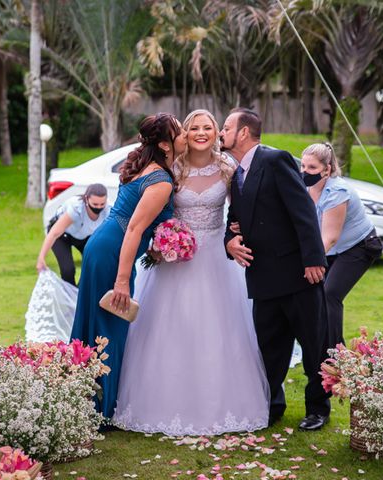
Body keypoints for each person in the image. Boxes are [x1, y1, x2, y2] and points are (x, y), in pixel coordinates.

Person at [113, 110, 270, 435]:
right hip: (175, 262)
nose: (201, 133)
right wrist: (160, 242)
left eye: (207, 127)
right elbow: (156, 211)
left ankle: (221, 404)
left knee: (218, 328)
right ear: (185, 132)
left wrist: (234, 238)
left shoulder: (228, 168)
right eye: (194, 127)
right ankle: (164, 403)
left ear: (216, 133)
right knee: (171, 328)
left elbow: (239, 214)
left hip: (215, 258)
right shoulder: (173, 169)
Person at [221, 108, 331, 431]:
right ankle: (271, 405)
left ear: (243, 133)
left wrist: (314, 259)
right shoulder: (235, 173)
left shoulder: (275, 160)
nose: (221, 133)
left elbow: (304, 210)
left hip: (298, 274)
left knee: (313, 345)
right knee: (269, 348)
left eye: (226, 127)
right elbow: (234, 219)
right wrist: (229, 241)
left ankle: (318, 408)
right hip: (262, 277)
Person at [71, 113, 186, 420]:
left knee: (94, 327)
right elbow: (134, 229)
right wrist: (122, 281)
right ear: (165, 144)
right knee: (109, 330)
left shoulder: (150, 170)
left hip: (104, 246)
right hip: (112, 253)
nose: (186, 135)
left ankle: (84, 402)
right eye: (180, 132)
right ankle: (101, 410)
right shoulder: (160, 180)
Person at [299, 143, 383, 346]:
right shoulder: (306, 188)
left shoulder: (337, 192)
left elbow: (330, 237)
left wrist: (309, 261)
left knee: (330, 295)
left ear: (327, 169)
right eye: (303, 166)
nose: (305, 172)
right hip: (334, 249)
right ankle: (320, 351)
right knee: (314, 297)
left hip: (359, 246)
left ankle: (336, 355)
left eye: (312, 168)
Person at [37, 184, 110, 286]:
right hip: (62, 236)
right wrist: (41, 258)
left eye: (102, 204)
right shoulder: (77, 208)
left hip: (85, 236)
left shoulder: (108, 210)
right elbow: (54, 233)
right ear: (86, 199)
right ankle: (68, 297)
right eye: (95, 204)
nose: (98, 207)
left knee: (95, 266)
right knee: (68, 270)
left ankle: (80, 294)